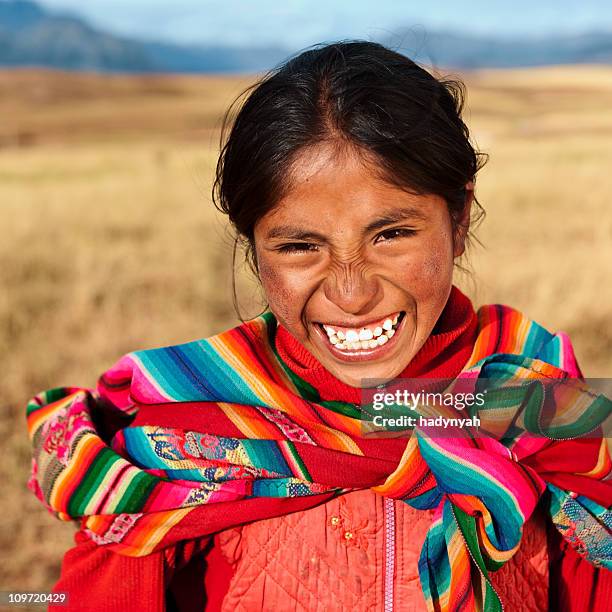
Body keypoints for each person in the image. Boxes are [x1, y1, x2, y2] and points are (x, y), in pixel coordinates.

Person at [26, 41, 610, 612]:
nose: (351, 294)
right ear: (255, 250)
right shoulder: (182, 439)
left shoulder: (535, 400)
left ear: (458, 219)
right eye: (301, 246)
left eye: (391, 235)